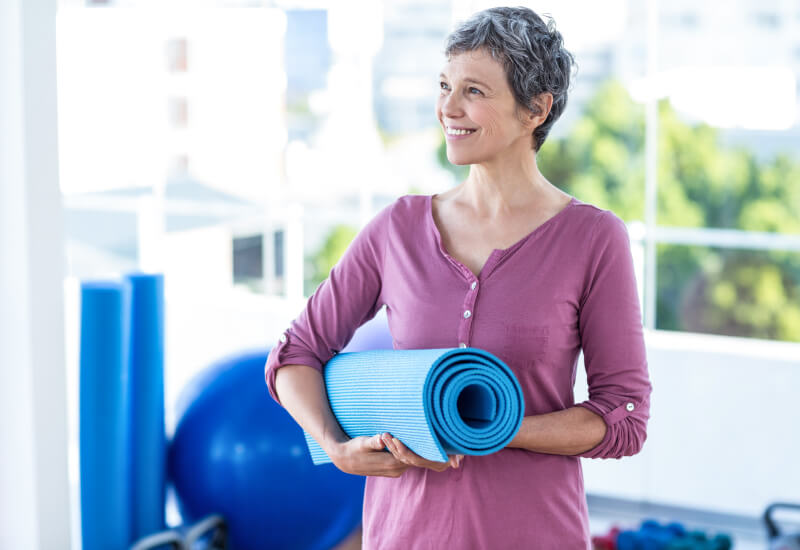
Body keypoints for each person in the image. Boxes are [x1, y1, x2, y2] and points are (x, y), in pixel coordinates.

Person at [265, 6, 652, 549]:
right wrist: (334, 445)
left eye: (474, 91)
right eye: (444, 85)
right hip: (407, 535)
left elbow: (623, 416)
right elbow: (295, 353)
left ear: (535, 109)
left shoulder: (593, 239)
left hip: (536, 534)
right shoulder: (396, 228)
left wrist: (501, 427)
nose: (448, 107)